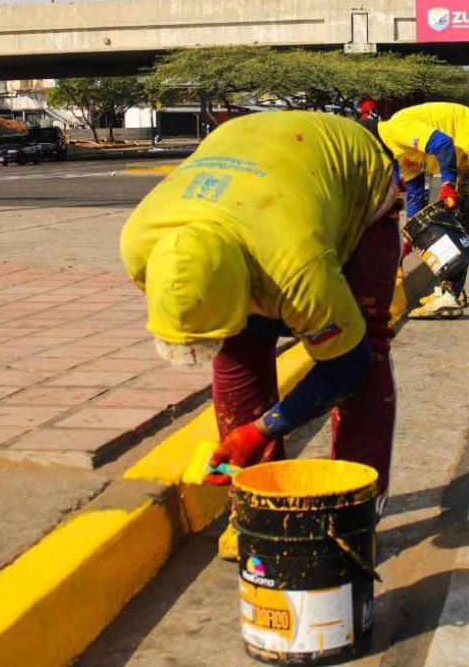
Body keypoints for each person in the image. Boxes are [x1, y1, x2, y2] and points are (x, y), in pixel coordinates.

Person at [120, 111, 402, 554]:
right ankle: (257, 502)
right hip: (253, 170)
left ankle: (355, 508)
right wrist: (252, 440)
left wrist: (261, 429)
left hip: (352, 177)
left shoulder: (294, 267)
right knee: (237, 356)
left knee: (366, 350)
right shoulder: (139, 245)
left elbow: (348, 364)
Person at [368, 101, 469, 319]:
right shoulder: (396, 154)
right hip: (465, 155)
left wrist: (448, 185)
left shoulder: (395, 129)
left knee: (461, 221)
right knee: (449, 223)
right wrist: (410, 237)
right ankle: (451, 291)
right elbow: (414, 194)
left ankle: (449, 296)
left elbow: (443, 143)